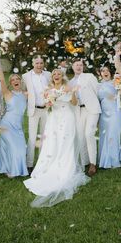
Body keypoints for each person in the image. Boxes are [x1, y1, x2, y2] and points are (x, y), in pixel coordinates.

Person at [23, 69, 90, 207]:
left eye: (59, 74)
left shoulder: (67, 87)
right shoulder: (48, 89)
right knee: (52, 144)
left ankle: (66, 168)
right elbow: (47, 106)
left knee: (66, 144)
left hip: (67, 118)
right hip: (54, 119)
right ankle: (49, 166)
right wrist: (50, 100)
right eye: (54, 74)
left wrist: (72, 93)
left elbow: (74, 103)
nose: (56, 76)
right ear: (52, 77)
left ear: (62, 76)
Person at [0, 56, 28, 178]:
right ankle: (12, 170)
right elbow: (2, 79)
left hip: (18, 127)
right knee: (13, 147)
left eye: (17, 78)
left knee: (20, 149)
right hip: (7, 125)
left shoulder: (26, 95)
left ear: (20, 81)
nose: (15, 80)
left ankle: (9, 167)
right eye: (13, 79)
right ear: (11, 83)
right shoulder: (7, 93)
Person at [69, 58, 101, 177]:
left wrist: (99, 110)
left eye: (80, 65)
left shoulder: (89, 76)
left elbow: (97, 92)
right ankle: (85, 162)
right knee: (81, 137)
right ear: (72, 67)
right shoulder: (71, 82)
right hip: (79, 111)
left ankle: (93, 163)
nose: (79, 67)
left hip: (92, 109)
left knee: (89, 134)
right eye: (76, 65)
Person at [22, 55, 51, 174]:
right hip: (34, 110)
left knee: (44, 137)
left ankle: (42, 163)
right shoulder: (26, 76)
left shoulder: (48, 75)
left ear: (44, 64)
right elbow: (23, 90)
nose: (39, 65)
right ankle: (29, 164)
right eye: (37, 63)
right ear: (33, 63)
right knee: (32, 138)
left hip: (46, 110)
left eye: (41, 63)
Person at [98, 66, 121, 169]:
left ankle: (113, 159)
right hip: (103, 114)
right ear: (100, 74)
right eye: (103, 71)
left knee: (113, 135)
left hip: (115, 112)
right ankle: (103, 159)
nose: (105, 72)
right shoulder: (98, 85)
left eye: (107, 70)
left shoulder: (115, 82)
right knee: (104, 136)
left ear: (110, 72)